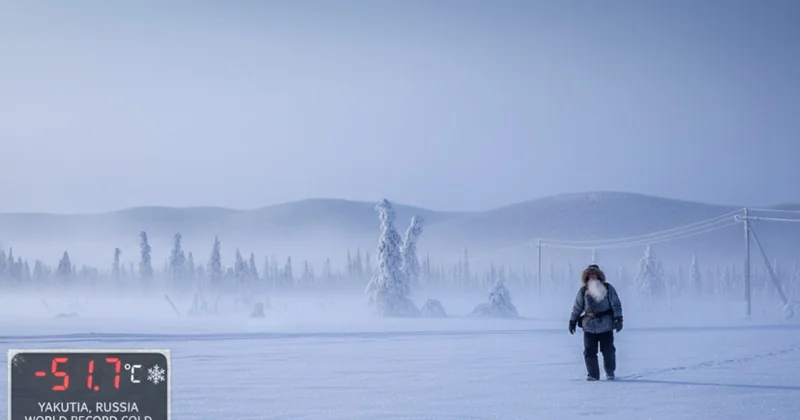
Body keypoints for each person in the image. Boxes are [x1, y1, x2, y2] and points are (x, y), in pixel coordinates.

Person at [568, 264, 623, 381]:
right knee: (589, 353)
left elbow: (616, 304)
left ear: (599, 275)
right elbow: (577, 307)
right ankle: (593, 375)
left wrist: (618, 318)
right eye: (589, 274)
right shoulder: (583, 291)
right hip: (589, 326)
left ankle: (609, 372)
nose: (592, 276)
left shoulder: (608, 288)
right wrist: (572, 320)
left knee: (608, 351)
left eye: (594, 274)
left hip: (606, 326)